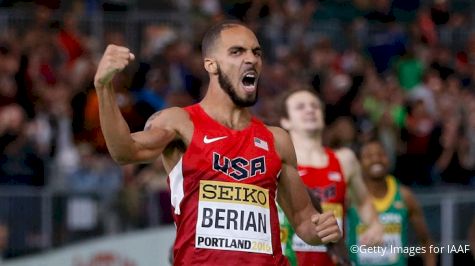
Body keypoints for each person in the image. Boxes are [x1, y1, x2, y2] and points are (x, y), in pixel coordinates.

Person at [93, 20, 341, 265]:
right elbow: (124, 151)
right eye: (237, 51)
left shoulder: (276, 139)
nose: (251, 59)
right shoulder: (180, 122)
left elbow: (302, 220)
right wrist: (104, 87)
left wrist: (320, 230)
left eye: (256, 52)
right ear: (211, 64)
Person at [277, 88, 383, 266]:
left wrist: (374, 224)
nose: (310, 110)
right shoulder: (275, 160)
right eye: (300, 107)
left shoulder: (345, 159)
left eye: (315, 106)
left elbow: (363, 201)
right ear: (286, 121)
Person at [348, 140, 436, 266]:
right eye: (368, 156)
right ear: (359, 162)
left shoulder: (405, 196)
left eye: (381, 154)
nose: (376, 159)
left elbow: (426, 241)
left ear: (388, 158)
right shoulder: (350, 195)